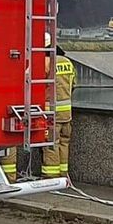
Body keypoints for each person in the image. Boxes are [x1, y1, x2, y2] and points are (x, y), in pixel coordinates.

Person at [41, 48, 74, 179]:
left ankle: (51, 177)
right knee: (64, 142)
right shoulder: (68, 62)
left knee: (51, 144)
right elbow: (74, 85)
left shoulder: (46, 62)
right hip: (67, 113)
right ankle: (63, 173)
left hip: (51, 113)